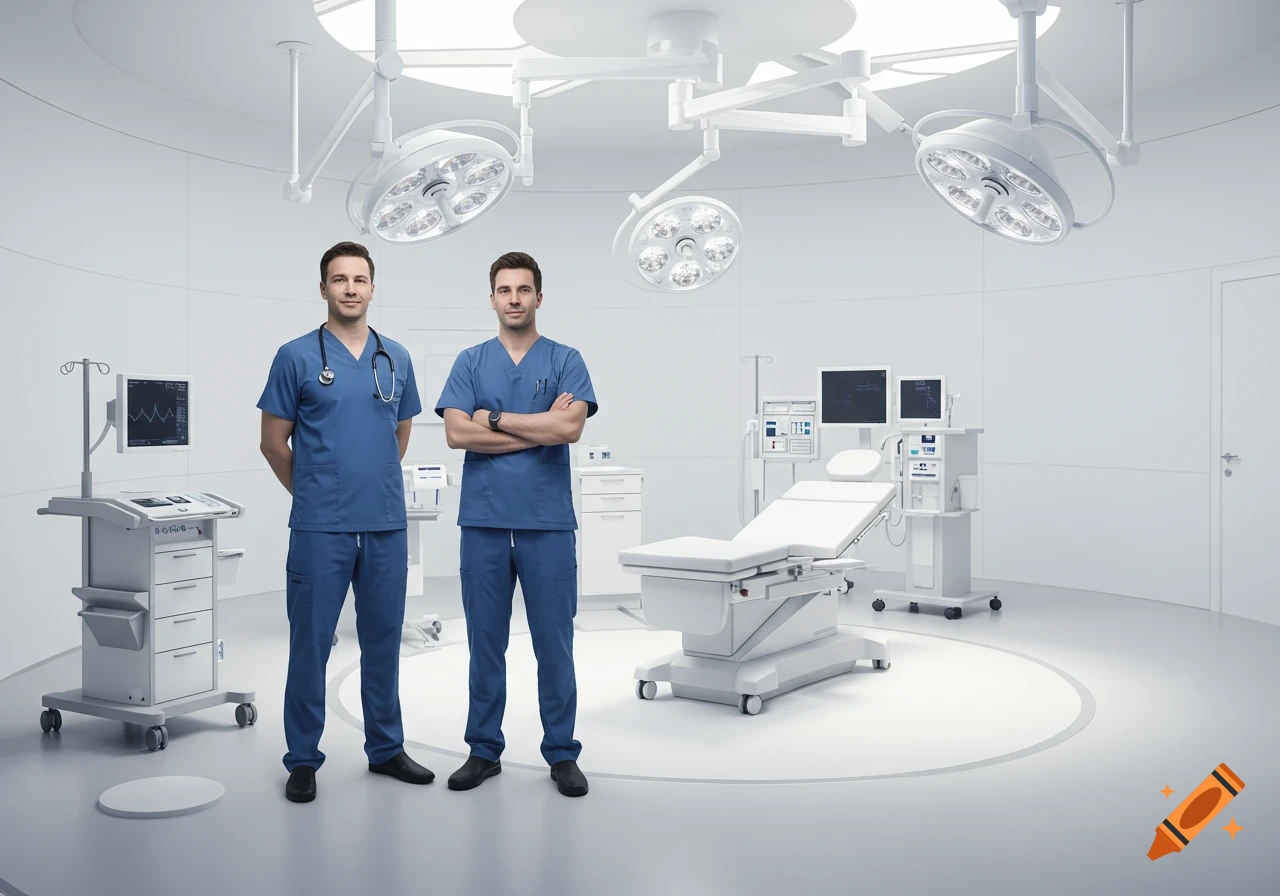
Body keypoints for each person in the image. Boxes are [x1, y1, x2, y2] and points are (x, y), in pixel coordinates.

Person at [258, 240, 435, 803]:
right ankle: (304, 759)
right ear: (323, 288)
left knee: (383, 642)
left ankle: (385, 749)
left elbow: (399, 435)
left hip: (384, 523)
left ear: (372, 288)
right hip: (320, 529)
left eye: (360, 279)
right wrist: (316, 493)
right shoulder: (296, 356)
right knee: (310, 645)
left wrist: (367, 484)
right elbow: (272, 442)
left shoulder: (396, 357)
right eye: (340, 279)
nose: (351, 288)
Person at [435, 251, 597, 798]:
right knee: (486, 641)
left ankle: (562, 753)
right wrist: (539, 426)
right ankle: (484, 750)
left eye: (523, 290)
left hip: (547, 523)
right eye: (504, 290)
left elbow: (570, 429)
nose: (513, 299)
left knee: (554, 642)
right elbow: (457, 434)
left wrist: (497, 419)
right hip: (483, 521)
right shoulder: (470, 361)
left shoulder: (566, 358)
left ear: (538, 298)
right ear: (492, 298)